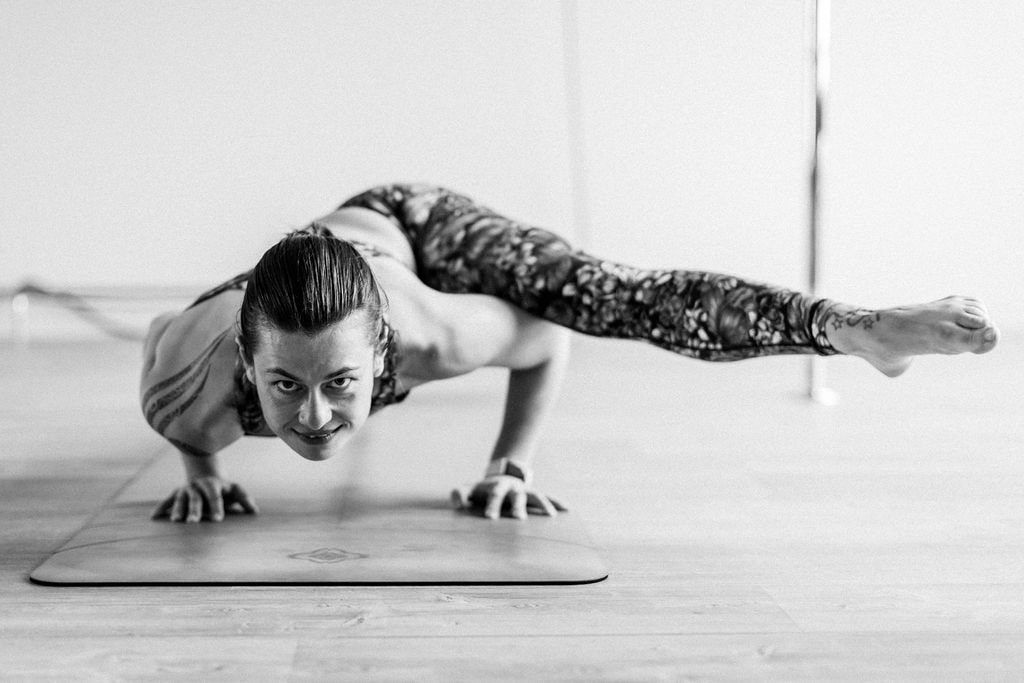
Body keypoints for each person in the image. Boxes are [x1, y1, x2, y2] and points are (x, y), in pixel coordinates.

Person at [140, 183, 1000, 523]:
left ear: (384, 356)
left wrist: (510, 460)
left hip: (412, 230)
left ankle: (851, 325)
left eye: (341, 384)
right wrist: (198, 466)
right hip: (301, 283)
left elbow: (546, 333)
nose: (316, 418)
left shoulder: (437, 335)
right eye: (285, 385)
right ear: (246, 361)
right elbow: (175, 379)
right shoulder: (186, 387)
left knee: (601, 294)